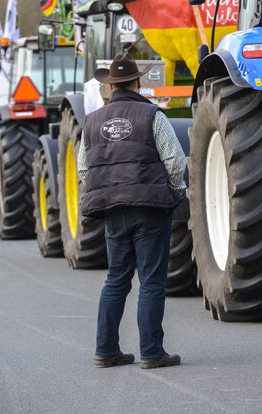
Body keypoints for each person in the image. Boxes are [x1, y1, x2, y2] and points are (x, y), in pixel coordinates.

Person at [77, 52, 186, 369]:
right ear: (138, 82)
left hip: (114, 211)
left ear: (110, 86)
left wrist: (105, 195)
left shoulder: (92, 122)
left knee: (116, 279)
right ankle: (152, 353)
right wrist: (173, 193)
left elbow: (84, 171)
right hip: (150, 208)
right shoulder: (153, 115)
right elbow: (175, 162)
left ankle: (106, 351)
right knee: (151, 282)